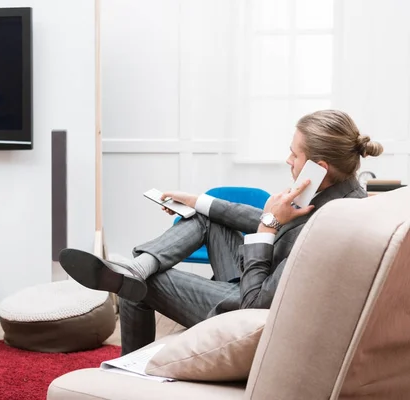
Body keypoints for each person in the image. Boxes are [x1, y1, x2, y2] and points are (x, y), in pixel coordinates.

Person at [59, 109, 384, 355]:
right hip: (257, 283)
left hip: (251, 307)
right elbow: (268, 221)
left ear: (320, 167)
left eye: (294, 154)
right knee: (205, 217)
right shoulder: (342, 194)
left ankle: (127, 368)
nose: (288, 160)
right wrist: (198, 201)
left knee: (139, 285)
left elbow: (256, 303)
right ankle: (137, 266)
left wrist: (268, 225)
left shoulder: (329, 224)